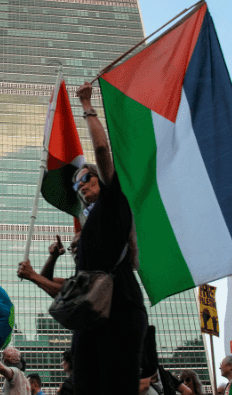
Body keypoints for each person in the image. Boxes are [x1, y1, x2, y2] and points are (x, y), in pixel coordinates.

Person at [69, 81, 148, 395]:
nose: (82, 185)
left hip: (121, 311)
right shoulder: (88, 229)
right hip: (90, 317)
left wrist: (87, 105)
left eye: (86, 177)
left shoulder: (114, 201)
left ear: (99, 179)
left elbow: (101, 150)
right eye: (77, 186)